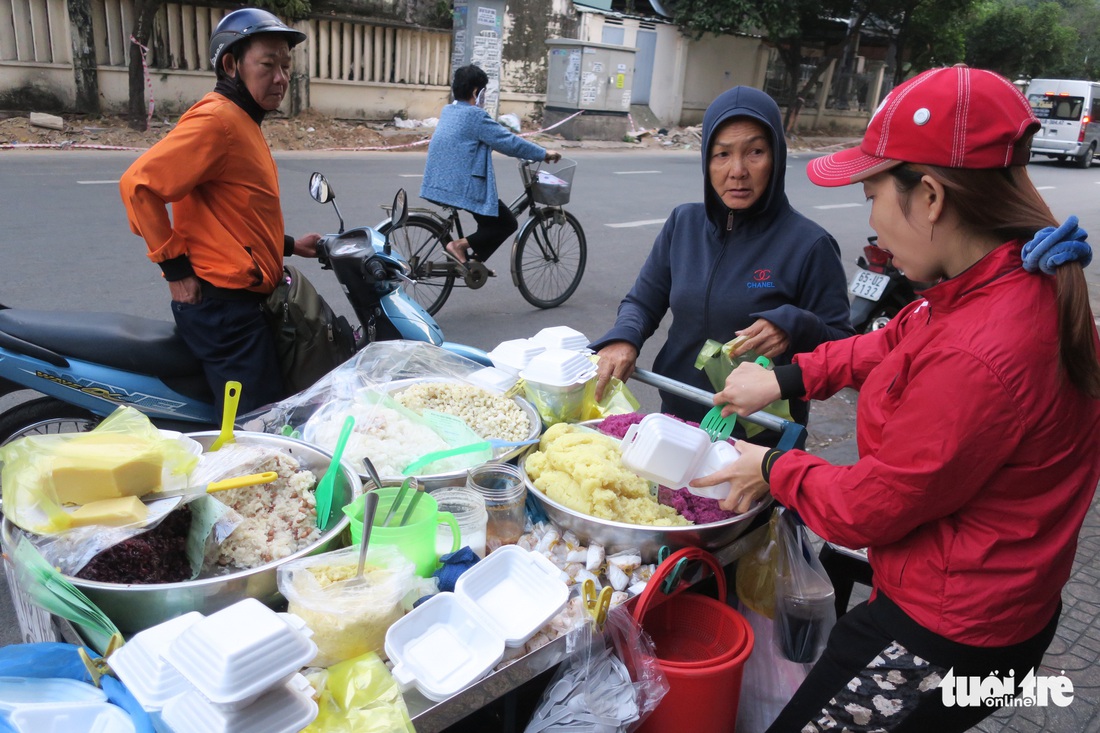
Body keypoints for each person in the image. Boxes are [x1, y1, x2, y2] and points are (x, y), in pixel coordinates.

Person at [695, 65, 1100, 731]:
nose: (876, 226)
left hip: (949, 637)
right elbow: (887, 346)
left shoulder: (983, 347)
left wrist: (770, 467)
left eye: (874, 196)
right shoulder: (997, 276)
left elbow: (867, 507)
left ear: (932, 196)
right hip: (1002, 607)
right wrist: (786, 377)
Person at [590, 85, 854, 433]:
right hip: (676, 417)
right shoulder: (683, 225)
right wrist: (624, 338)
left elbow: (840, 348)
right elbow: (643, 301)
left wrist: (794, 325)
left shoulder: (810, 245)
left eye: (756, 152)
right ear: (706, 160)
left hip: (758, 438)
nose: (738, 170)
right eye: (722, 154)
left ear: (776, 157)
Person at [120, 8, 320, 413]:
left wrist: (289, 245)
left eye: (286, 65)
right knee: (255, 423)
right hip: (224, 309)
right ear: (231, 64)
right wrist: (175, 271)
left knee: (267, 405)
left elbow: (233, 213)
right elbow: (138, 185)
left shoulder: (243, 119)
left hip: (241, 302)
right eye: (268, 64)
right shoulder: (219, 121)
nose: (281, 77)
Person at [420, 64, 562, 269]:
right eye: (483, 92)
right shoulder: (475, 117)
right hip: (462, 185)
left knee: (490, 222)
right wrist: (543, 153)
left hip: (439, 181)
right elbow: (509, 142)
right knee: (507, 223)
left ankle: (474, 266)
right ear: (477, 92)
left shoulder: (449, 110)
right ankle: (458, 246)